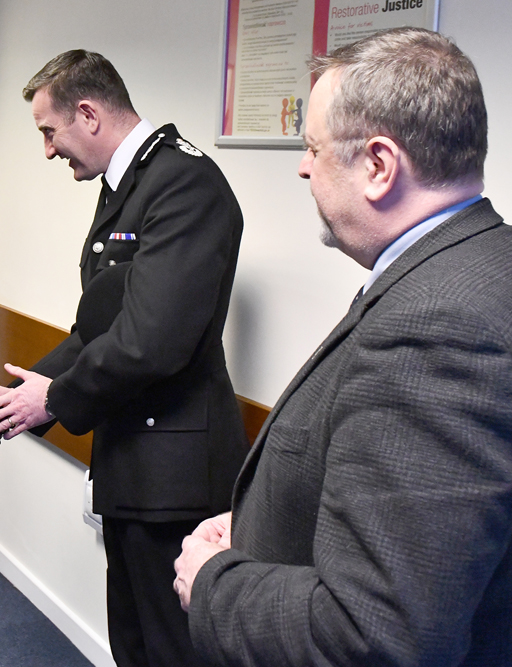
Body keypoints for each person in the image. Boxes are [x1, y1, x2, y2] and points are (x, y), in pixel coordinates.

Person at [174, 28, 512, 666]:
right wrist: (250, 530)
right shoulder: (478, 264)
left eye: (314, 149)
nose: (303, 166)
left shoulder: (438, 329)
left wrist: (216, 579)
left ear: (379, 167)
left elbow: (376, 638)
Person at [0, 50, 249, 667]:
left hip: (174, 476)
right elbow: (101, 325)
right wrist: (26, 395)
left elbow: (150, 340)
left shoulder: (183, 183)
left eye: (48, 131)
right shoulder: (133, 181)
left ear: (87, 113)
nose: (47, 150)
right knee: (136, 643)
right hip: (133, 463)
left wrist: (55, 398)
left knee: (173, 649)